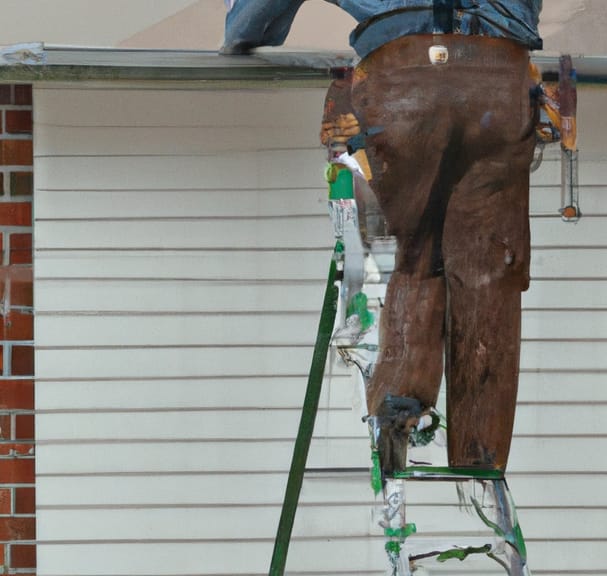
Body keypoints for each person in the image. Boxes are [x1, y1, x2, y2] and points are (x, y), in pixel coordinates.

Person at [223, 0, 544, 475]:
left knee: (412, 254)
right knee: (489, 270)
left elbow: (254, 19)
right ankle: (482, 453)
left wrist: (241, 35)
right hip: (500, 78)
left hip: (404, 71)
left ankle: (401, 399)